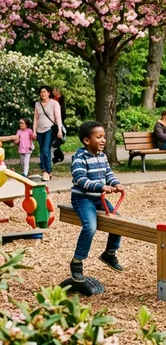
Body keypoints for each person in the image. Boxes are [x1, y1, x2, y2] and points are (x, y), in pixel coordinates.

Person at [69, 120, 126, 283]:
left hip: (98, 198)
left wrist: (115, 184)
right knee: (90, 226)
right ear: (87, 141)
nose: (103, 140)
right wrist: (101, 186)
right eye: (99, 137)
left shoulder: (102, 156)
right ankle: (77, 261)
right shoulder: (80, 157)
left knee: (118, 220)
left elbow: (108, 173)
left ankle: (109, 253)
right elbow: (80, 179)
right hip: (83, 198)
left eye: (104, 137)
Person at [33, 85, 63, 181]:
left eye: (44, 92)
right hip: (39, 130)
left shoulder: (54, 103)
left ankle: (48, 171)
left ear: (49, 93)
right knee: (42, 151)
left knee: (46, 150)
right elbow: (35, 118)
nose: (43, 94)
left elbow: (58, 117)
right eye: (41, 92)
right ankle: (44, 170)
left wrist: (59, 129)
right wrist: (34, 131)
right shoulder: (37, 104)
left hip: (49, 129)